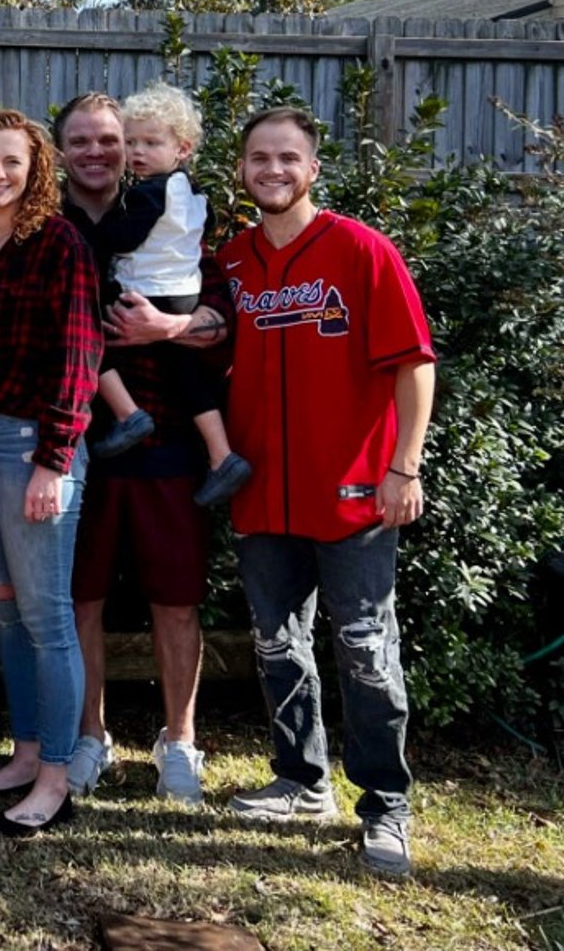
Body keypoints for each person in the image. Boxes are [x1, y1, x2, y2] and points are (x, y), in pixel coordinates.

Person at [221, 107, 434, 879]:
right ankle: (300, 780)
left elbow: (414, 364)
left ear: (313, 168)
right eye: (258, 158)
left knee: (367, 652)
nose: (272, 170)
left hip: (352, 493)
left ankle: (386, 805)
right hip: (263, 493)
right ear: (240, 168)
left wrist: (403, 467)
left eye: (288, 158)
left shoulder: (360, 250)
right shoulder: (233, 261)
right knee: (279, 646)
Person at [56, 91, 231, 807]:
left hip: (169, 438)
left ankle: (179, 741)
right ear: (63, 149)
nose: (102, 152)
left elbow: (220, 318)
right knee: (79, 598)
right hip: (76, 440)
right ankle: (88, 736)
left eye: (114, 139)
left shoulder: (173, 214)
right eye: (88, 140)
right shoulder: (54, 226)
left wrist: (166, 327)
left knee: (177, 599)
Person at [0, 108, 101, 836]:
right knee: (4, 605)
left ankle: (57, 776)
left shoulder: (59, 243)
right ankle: (26, 749)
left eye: (12, 160)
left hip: (32, 443)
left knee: (46, 616)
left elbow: (79, 357)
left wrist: (54, 461)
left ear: (37, 167)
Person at [82, 82, 251, 508]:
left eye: (151, 143)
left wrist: (91, 238)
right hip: (184, 295)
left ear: (183, 148)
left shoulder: (146, 193)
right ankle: (222, 455)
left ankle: (128, 415)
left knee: (91, 336)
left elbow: (122, 238)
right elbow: (202, 227)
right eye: (132, 142)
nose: (137, 152)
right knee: (188, 377)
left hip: (148, 294)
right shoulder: (192, 191)